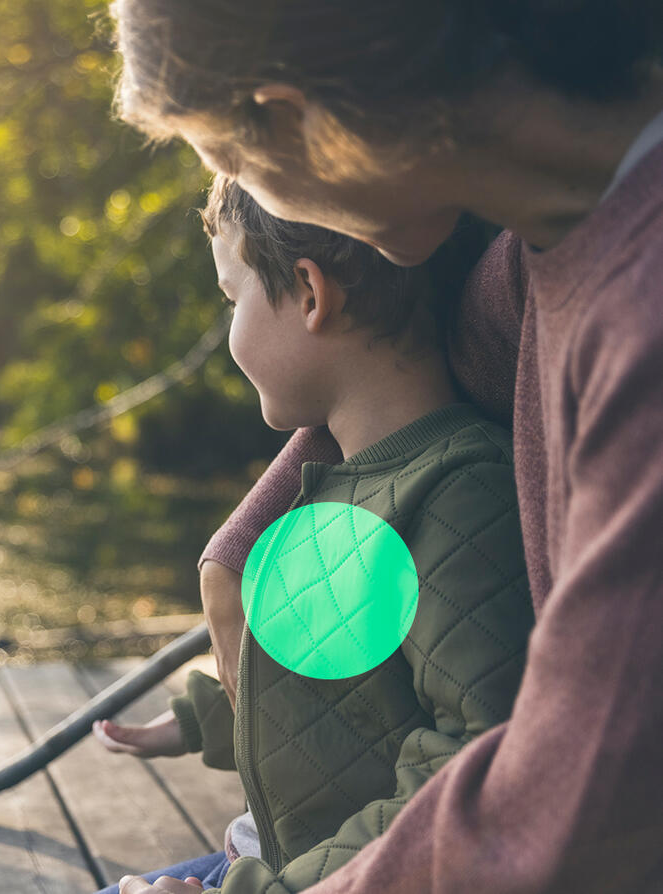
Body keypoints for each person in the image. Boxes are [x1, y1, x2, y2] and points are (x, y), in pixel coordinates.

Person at [106, 2, 663, 893]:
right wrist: (237, 550)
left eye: (231, 160)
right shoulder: (533, 255)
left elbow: (586, 803)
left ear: (296, 119)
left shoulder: (642, 315)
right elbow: (402, 391)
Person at [91, 177, 532, 894]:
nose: (231, 326)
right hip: (269, 862)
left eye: (233, 300)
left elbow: (475, 762)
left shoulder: (458, 493)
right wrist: (204, 717)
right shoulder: (349, 482)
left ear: (309, 293)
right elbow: (345, 696)